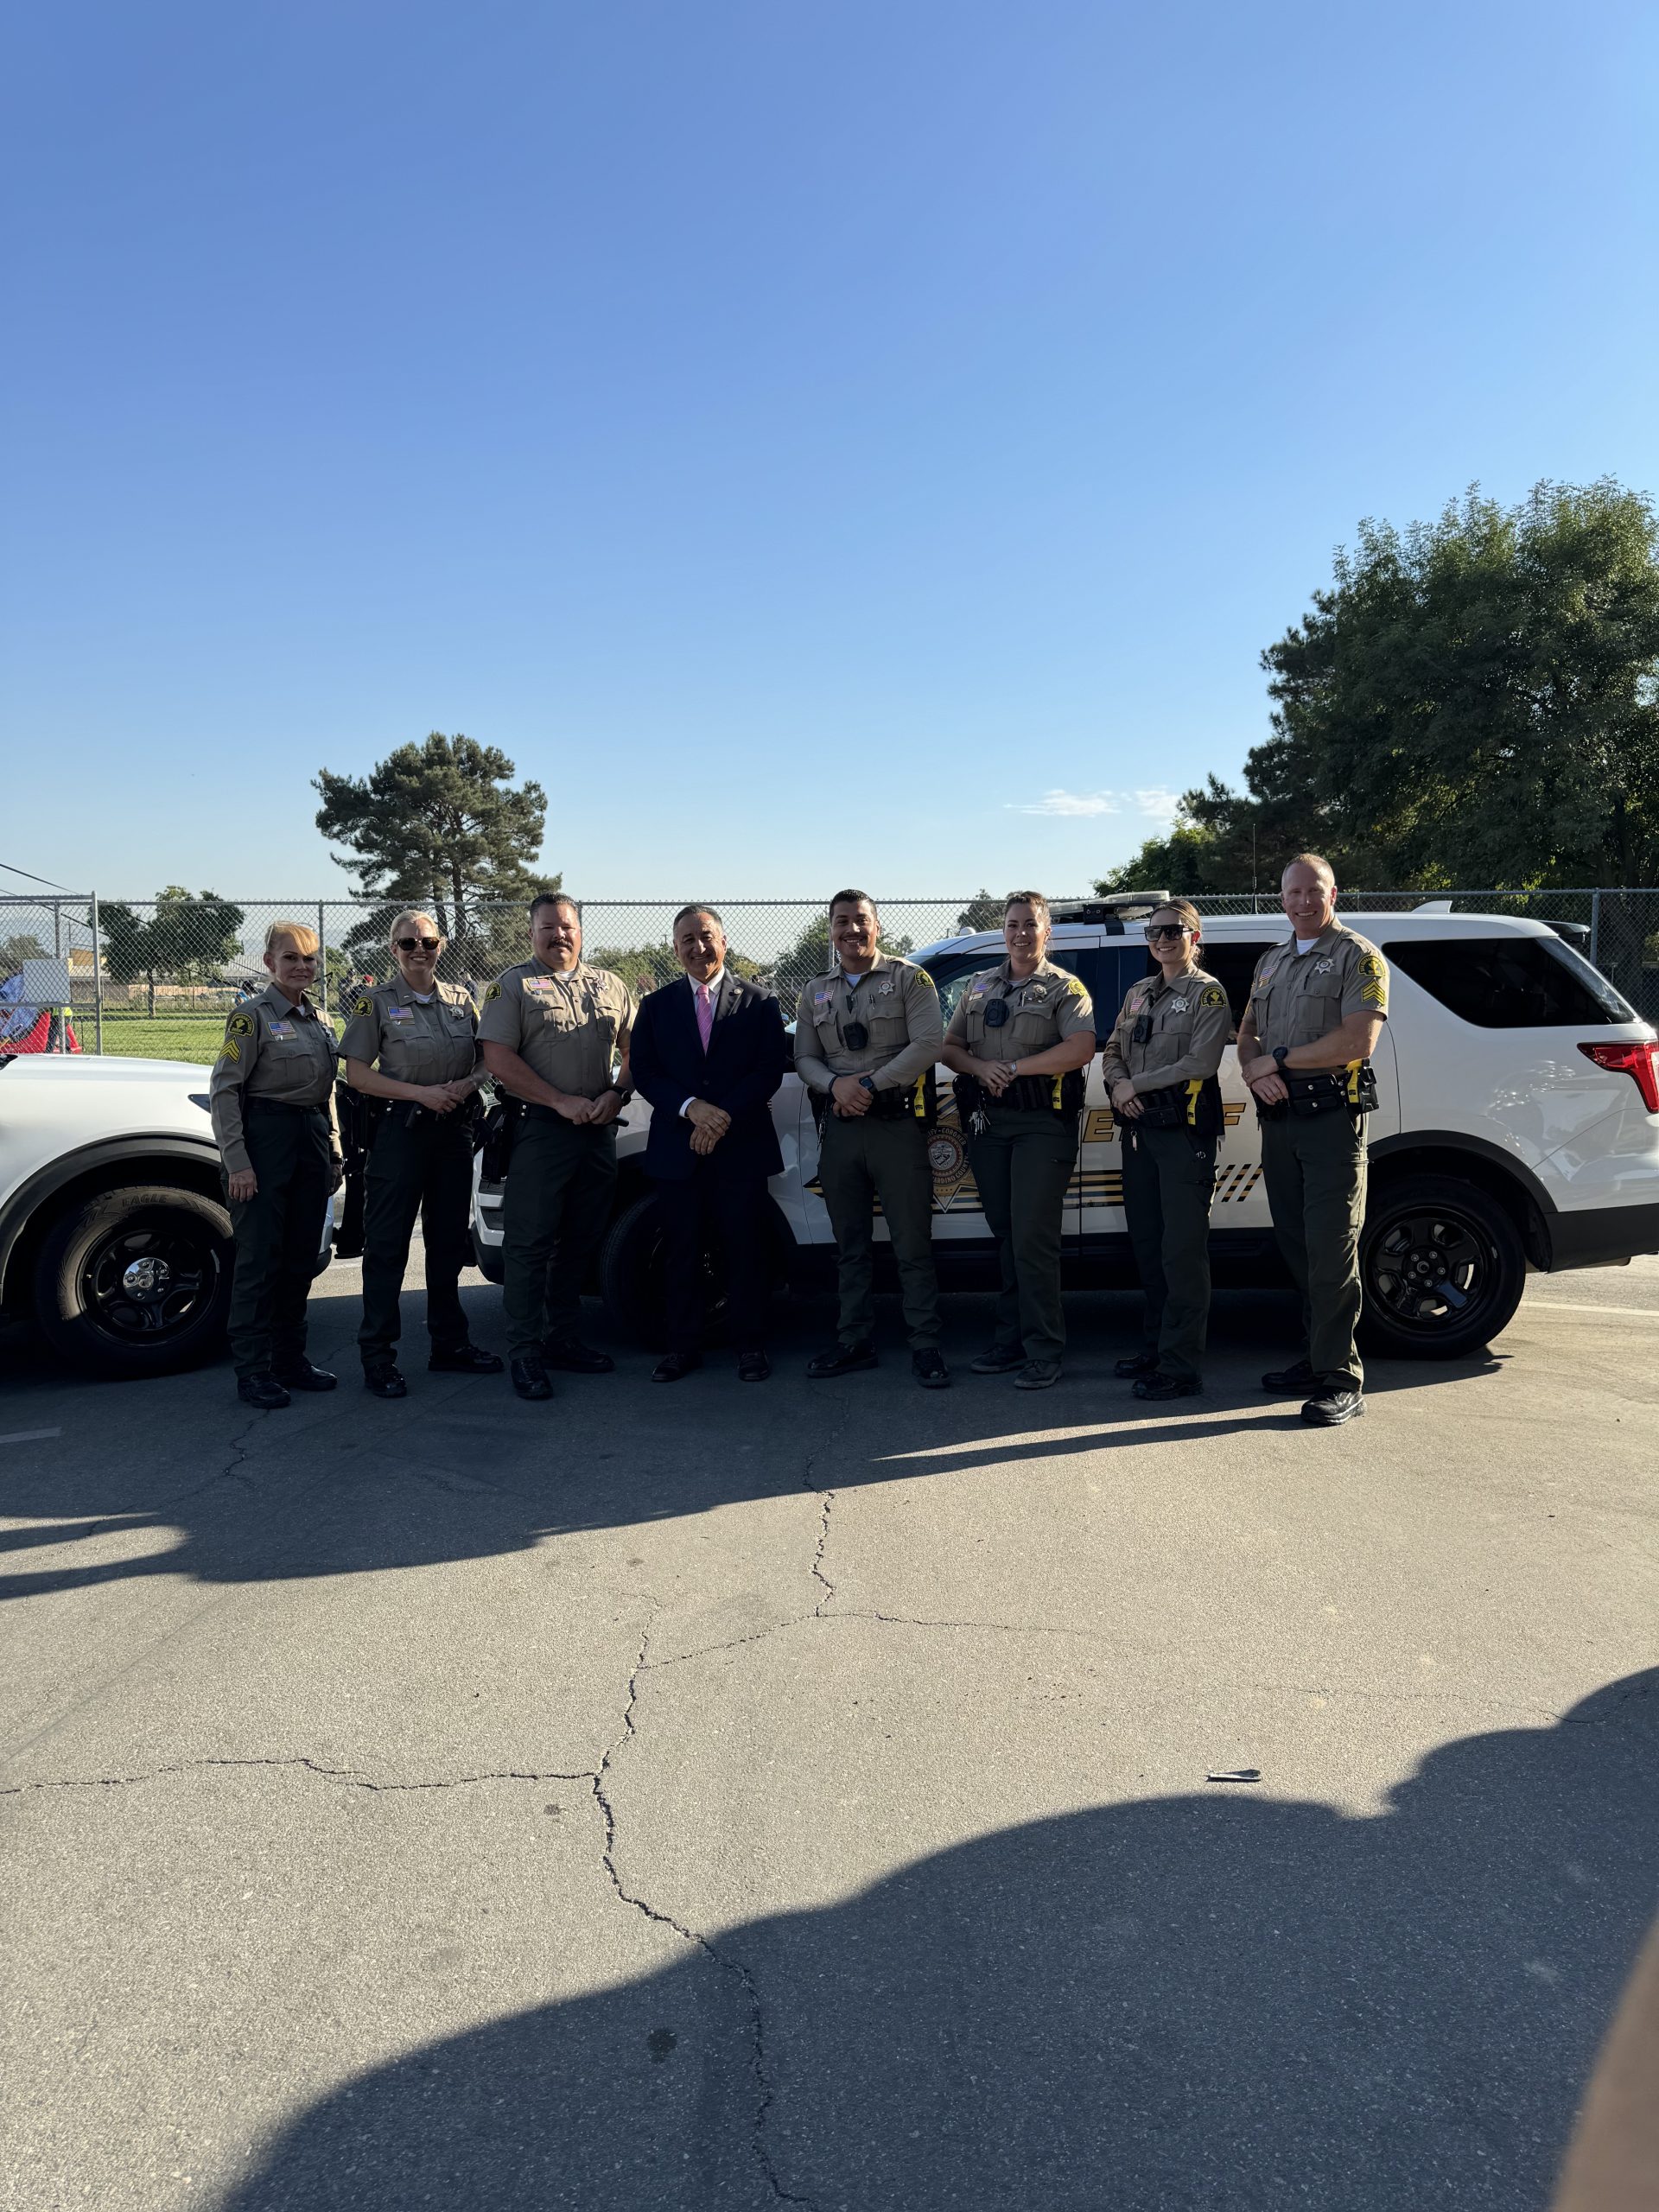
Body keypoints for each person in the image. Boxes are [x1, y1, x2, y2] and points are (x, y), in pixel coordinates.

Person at [1236, 854, 1389, 1426]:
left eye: (1313, 891)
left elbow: (1356, 1041)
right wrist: (1257, 1068)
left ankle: (1341, 1377)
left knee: (1331, 1250)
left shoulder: (1358, 956)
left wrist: (1277, 1061)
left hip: (1330, 1123)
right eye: (1293, 892)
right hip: (1280, 1124)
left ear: (1334, 894)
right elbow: (1246, 1033)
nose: (1302, 900)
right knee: (1297, 1246)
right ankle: (1314, 1355)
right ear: (1282, 899)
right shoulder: (1272, 962)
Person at [337, 910, 503, 1398]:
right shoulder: (376, 1004)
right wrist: (421, 1094)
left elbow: (484, 1060)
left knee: (448, 1244)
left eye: (427, 942)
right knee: (387, 1247)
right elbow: (357, 1074)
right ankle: (378, 1358)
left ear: (441, 946)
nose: (418, 951)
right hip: (400, 1134)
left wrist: (468, 1085)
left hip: (453, 1134)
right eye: (408, 943)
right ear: (393, 950)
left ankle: (449, 1345)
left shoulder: (459, 1001)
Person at [477, 893, 634, 1402]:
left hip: (597, 1131)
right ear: (532, 934)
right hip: (542, 1128)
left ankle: (563, 1339)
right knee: (529, 1245)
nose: (559, 935)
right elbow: (497, 1057)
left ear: (580, 931)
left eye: (567, 926)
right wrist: (558, 1100)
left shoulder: (610, 984)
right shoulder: (513, 986)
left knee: (581, 1240)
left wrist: (617, 1093)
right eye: (548, 927)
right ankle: (525, 1352)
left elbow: (634, 1049)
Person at [939, 892, 1095, 1389]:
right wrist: (980, 1067)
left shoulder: (1065, 988)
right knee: (1006, 1232)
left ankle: (1044, 1349)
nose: (1021, 933)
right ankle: (1011, 1339)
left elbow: (1081, 1047)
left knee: (1033, 1237)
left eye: (1031, 924)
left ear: (1047, 931)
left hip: (1041, 1125)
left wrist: (1013, 1068)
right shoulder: (978, 988)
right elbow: (949, 1047)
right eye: (1012, 924)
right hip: (989, 1126)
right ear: (1003, 930)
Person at [793, 889, 948, 1388]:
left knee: (911, 1243)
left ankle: (925, 1345)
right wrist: (834, 1085)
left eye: (860, 921)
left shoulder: (910, 979)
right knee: (850, 1243)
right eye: (841, 922)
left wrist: (868, 1085)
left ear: (876, 926)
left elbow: (929, 1043)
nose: (851, 930)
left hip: (895, 1127)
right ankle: (854, 1339)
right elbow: (804, 1057)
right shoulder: (815, 990)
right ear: (831, 930)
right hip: (840, 1129)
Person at [629, 905, 789, 1383]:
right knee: (682, 1250)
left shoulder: (761, 1002)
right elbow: (647, 1071)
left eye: (706, 937)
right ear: (675, 948)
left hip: (740, 1146)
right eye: (686, 941)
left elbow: (768, 1069)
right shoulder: (656, 1006)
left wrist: (720, 1117)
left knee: (744, 1248)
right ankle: (683, 1346)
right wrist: (690, 1109)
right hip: (678, 1148)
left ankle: (751, 1346)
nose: (698, 948)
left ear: (724, 941)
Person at [1099, 899, 1231, 1399]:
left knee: (1182, 1252)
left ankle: (1181, 1367)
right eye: (1154, 933)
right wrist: (1117, 1086)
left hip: (1183, 1137)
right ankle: (1156, 1348)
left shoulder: (1208, 994)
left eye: (1174, 931)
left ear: (1194, 937)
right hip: (1139, 1136)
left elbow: (1200, 1061)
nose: (1162, 939)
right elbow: (1112, 1050)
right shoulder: (1137, 994)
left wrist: (1139, 1085)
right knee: (1149, 1248)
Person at [208, 919, 343, 1409]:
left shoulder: (323, 1020)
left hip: (309, 1140)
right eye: (291, 958)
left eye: (309, 958)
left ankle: (291, 1359)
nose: (302, 966)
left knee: (300, 1259)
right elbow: (225, 1091)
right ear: (269, 963)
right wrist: (238, 1163)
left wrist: (333, 1150)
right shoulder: (250, 1017)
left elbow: (325, 1094)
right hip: (264, 1143)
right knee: (259, 1261)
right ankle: (253, 1369)